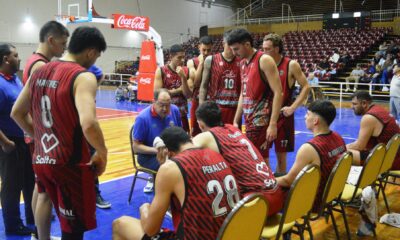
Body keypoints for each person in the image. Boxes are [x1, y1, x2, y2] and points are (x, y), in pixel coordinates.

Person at [11, 26, 108, 240]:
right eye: (97, 56)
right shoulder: (83, 77)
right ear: (91, 52)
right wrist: (102, 152)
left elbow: (17, 112)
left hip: (42, 158)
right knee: (73, 230)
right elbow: (89, 124)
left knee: (44, 199)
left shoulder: (40, 70)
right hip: (69, 164)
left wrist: (39, 138)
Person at [112, 126, 240, 240]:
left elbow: (151, 230)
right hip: (231, 234)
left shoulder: (171, 167)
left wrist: (144, 209)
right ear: (189, 138)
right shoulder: (215, 154)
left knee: (120, 224)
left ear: (168, 153)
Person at [193, 101, 285, 215]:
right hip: (277, 194)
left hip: (258, 202)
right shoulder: (233, 128)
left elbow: (183, 153)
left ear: (200, 124)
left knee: (208, 205)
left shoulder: (207, 136)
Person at [22, 20, 69, 240]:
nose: (64, 48)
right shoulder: (40, 67)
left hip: (39, 137)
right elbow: (45, 110)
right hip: (45, 139)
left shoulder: (34, 61)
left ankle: (37, 235)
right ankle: (43, 238)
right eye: (62, 43)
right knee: (46, 194)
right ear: (51, 40)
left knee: (39, 189)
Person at [276, 100, 347, 212]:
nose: (305, 117)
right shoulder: (338, 137)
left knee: (263, 191)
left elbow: (288, 181)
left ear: (315, 120)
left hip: (312, 201)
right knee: (278, 175)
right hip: (330, 194)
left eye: (308, 114)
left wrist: (268, 182)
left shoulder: (309, 148)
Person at [227, 28, 283, 165]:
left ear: (247, 44)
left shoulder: (264, 60)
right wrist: (236, 120)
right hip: (249, 120)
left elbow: (278, 92)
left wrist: (273, 124)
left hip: (261, 121)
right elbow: (243, 93)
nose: (234, 53)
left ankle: (268, 185)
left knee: (260, 160)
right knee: (256, 159)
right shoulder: (242, 63)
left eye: (236, 49)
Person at [0, 43, 35, 236]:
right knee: (11, 186)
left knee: (27, 181)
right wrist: (5, 142)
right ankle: (13, 225)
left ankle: (32, 215)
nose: (19, 58)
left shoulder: (15, 80)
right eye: (15, 55)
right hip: (8, 143)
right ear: (6, 59)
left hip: (21, 140)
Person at [262, 33, 310, 174]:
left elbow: (306, 86)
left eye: (267, 49)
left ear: (277, 49)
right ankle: (270, 186)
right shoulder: (262, 63)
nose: (264, 52)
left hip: (283, 117)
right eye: (263, 49)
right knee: (262, 156)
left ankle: (281, 189)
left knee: (281, 159)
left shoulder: (291, 65)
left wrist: (293, 107)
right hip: (264, 116)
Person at [132, 89, 182, 192]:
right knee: (171, 167)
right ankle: (165, 201)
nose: (165, 109)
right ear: (153, 102)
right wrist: (157, 150)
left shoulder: (175, 110)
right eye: (161, 105)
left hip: (171, 152)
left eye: (167, 105)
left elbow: (180, 134)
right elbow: (136, 147)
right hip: (148, 156)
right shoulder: (142, 118)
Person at [347, 91, 400, 169]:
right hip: (393, 156)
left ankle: (354, 179)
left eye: (355, 104)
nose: (352, 107)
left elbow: (359, 146)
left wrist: (342, 147)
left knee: (343, 155)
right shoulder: (379, 109)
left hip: (388, 161)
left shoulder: (369, 117)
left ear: (364, 103)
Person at [199, 30, 241, 125]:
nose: (232, 48)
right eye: (229, 44)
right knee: (216, 138)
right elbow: (204, 86)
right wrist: (201, 107)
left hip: (235, 109)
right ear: (223, 44)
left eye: (234, 45)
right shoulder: (211, 60)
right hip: (216, 108)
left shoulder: (242, 61)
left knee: (233, 138)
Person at [87, 65, 111, 209]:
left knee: (92, 158)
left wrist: (93, 89)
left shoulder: (91, 67)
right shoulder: (67, 66)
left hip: (87, 124)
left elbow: (100, 74)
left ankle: (95, 194)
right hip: (70, 124)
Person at [154, 44, 193, 133]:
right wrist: (179, 90)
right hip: (166, 115)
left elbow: (188, 95)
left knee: (183, 144)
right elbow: (157, 94)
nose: (182, 60)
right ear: (171, 56)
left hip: (182, 114)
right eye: (179, 58)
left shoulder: (187, 71)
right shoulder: (161, 71)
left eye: (184, 57)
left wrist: (183, 77)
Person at [187, 36, 213, 137]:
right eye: (204, 50)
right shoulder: (191, 62)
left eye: (209, 50)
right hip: (197, 101)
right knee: (195, 133)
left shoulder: (215, 60)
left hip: (211, 102)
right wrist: (202, 63)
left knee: (211, 132)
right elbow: (196, 83)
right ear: (199, 47)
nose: (206, 53)